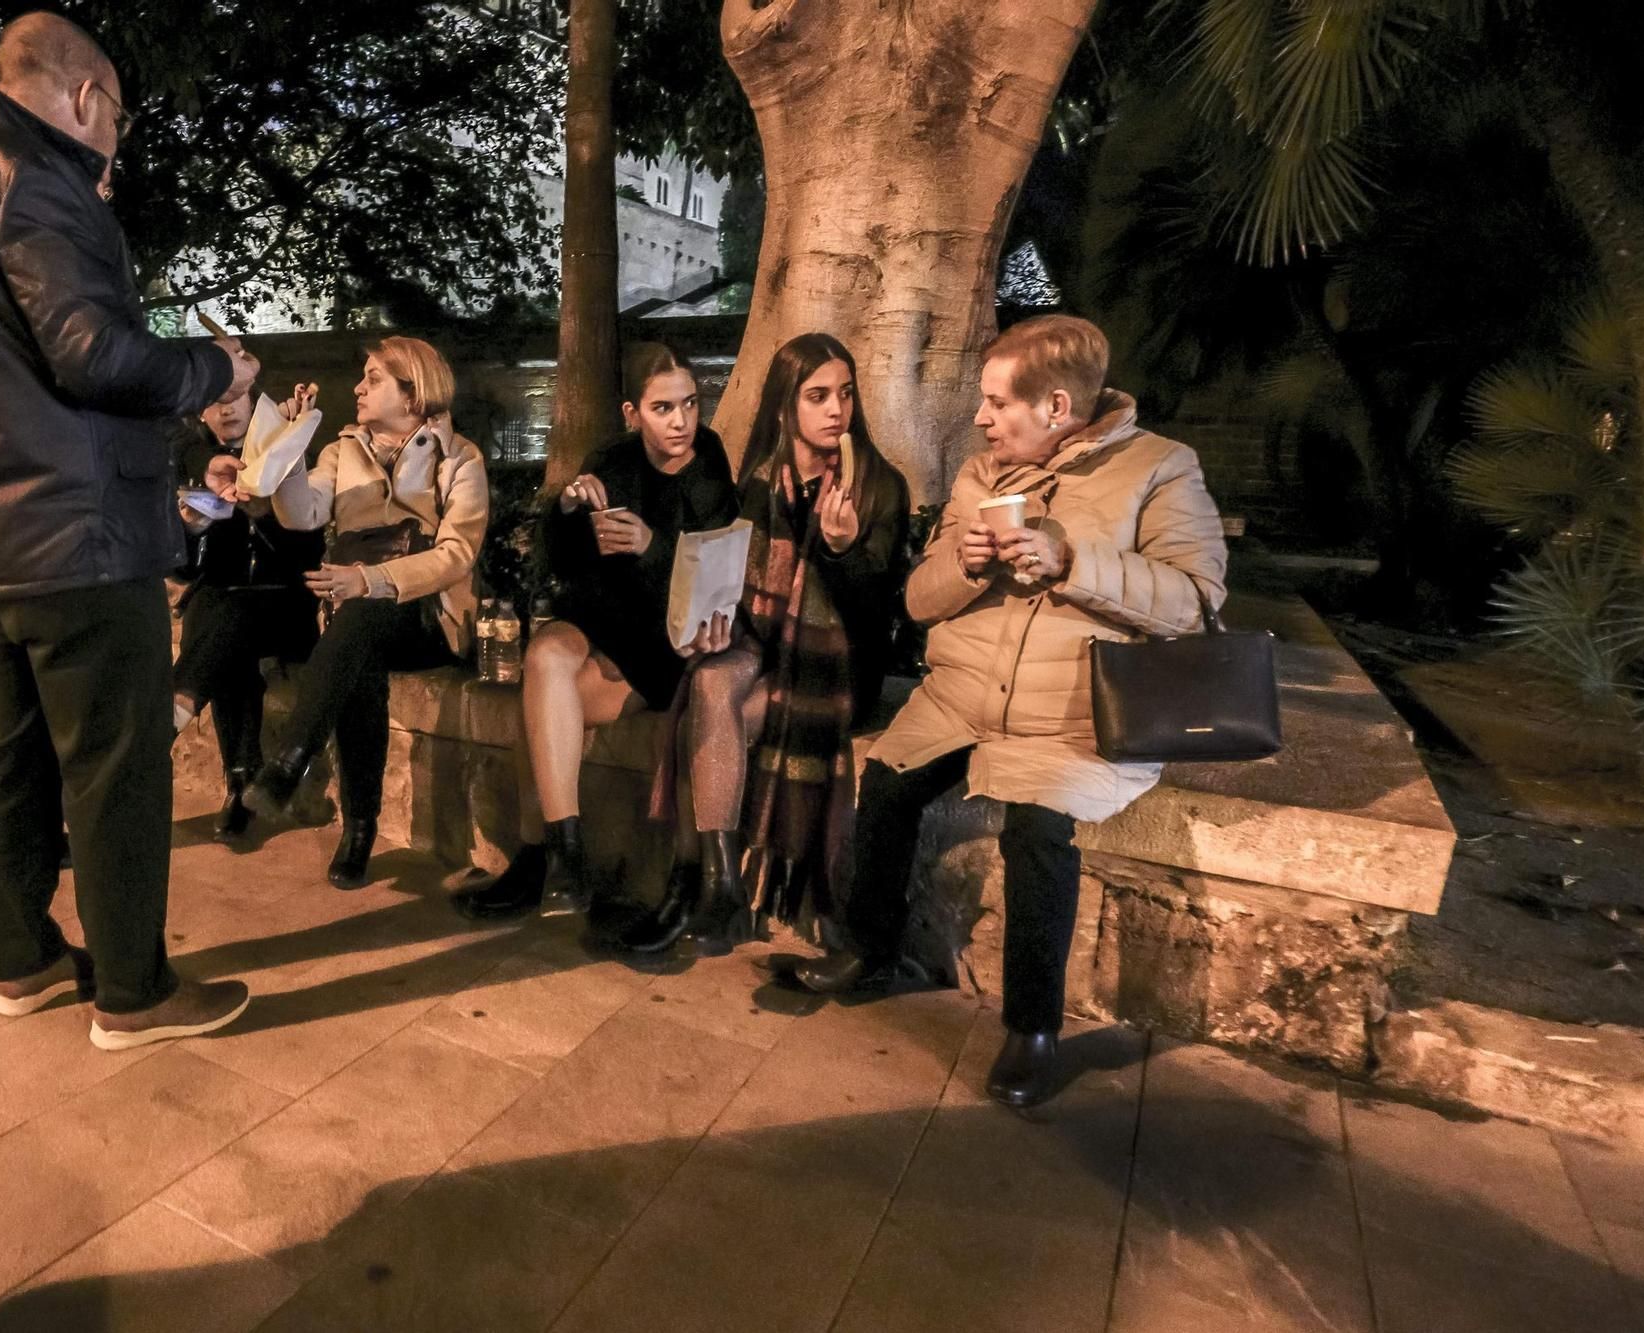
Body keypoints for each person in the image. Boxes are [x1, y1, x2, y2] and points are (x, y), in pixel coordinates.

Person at [0, 11, 259, 1048]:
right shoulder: (32, 178)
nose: (118, 136)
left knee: (3, 760)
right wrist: (215, 373)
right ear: (86, 96)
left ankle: (24, 965)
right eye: (119, 113)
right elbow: (94, 355)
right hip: (75, 537)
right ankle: (134, 992)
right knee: (114, 767)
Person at [775, 315, 1229, 1109]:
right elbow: (917, 601)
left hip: (1072, 710)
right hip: (965, 695)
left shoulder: (1160, 469)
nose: (980, 420)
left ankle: (1032, 1029)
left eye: (995, 403)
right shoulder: (981, 476)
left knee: (1037, 829)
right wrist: (963, 561)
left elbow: (1195, 604)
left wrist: (1074, 562)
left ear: (1056, 405)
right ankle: (867, 948)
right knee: (886, 776)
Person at [628, 332, 910, 956]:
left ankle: (691, 887)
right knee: (707, 679)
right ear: (786, 406)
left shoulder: (877, 486)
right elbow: (743, 596)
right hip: (763, 650)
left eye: (845, 393)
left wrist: (839, 551)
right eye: (817, 396)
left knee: (697, 724)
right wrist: (718, 624)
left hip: (832, 674)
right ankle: (720, 880)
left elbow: (876, 619)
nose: (837, 409)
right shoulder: (759, 482)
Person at [455, 343, 738, 922]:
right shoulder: (612, 458)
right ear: (634, 413)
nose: (682, 421)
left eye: (689, 403)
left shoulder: (710, 465)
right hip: (605, 625)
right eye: (663, 408)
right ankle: (565, 854)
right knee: (545, 656)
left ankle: (542, 862)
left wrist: (651, 546)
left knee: (536, 715)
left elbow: (712, 579)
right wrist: (565, 508)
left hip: (665, 647)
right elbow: (564, 565)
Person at [241, 337, 488, 888]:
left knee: (359, 617)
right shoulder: (340, 450)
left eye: (374, 378)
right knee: (359, 649)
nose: (358, 387)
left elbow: (457, 554)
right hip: (360, 616)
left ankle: (291, 765)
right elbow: (302, 516)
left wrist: (371, 579)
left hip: (428, 616)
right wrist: (291, 447)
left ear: (413, 390)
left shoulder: (460, 457)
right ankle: (358, 828)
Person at [169, 383, 325, 841]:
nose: (226, 407)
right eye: (214, 400)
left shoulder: (283, 453)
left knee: (226, 619)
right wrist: (192, 528)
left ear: (253, 403)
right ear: (201, 414)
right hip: (223, 605)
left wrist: (263, 513)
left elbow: (310, 548)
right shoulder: (197, 468)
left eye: (235, 397)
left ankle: (178, 708)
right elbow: (183, 571)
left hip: (285, 604)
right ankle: (240, 783)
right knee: (226, 626)